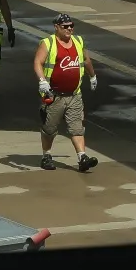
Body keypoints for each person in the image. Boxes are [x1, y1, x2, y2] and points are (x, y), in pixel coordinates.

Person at [35, 13, 99, 172]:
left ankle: (82, 157)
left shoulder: (78, 41)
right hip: (54, 96)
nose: (69, 29)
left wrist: (92, 76)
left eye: (71, 26)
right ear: (56, 27)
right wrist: (42, 81)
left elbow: (86, 60)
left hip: (74, 95)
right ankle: (46, 156)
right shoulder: (48, 43)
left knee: (77, 128)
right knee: (49, 129)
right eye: (65, 26)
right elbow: (38, 62)